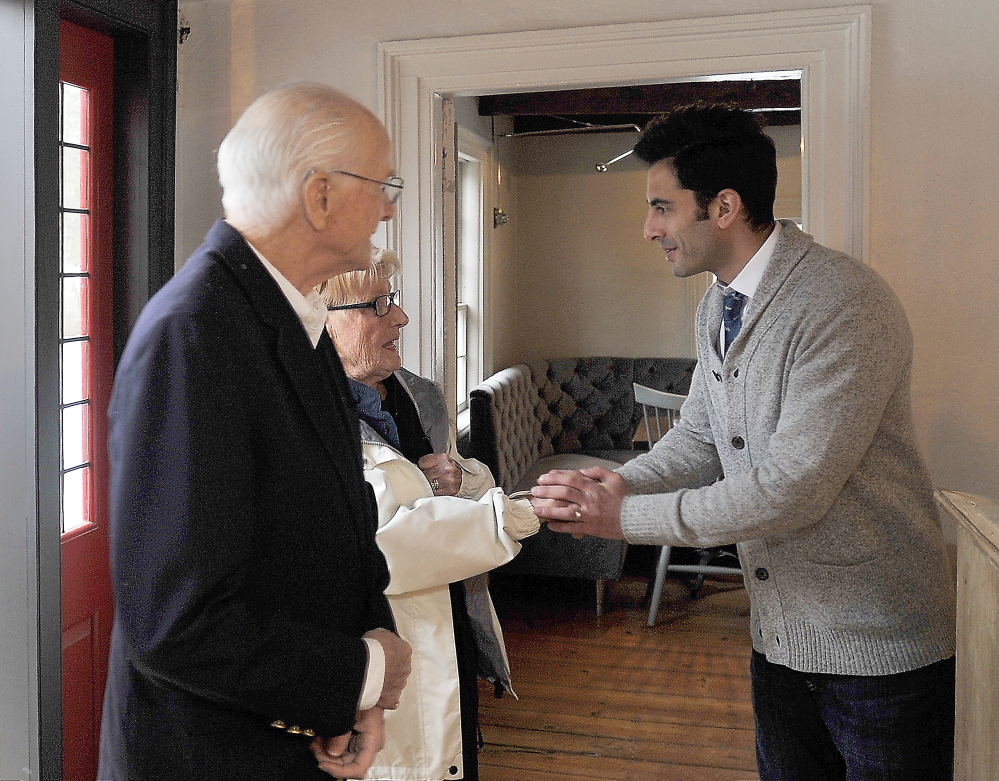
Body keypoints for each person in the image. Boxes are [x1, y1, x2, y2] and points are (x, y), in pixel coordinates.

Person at [530, 103, 957, 781]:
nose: (648, 229)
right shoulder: (716, 304)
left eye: (661, 208)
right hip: (779, 639)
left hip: (876, 654)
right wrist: (617, 484)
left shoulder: (841, 301)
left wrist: (624, 520)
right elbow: (699, 437)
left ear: (723, 206)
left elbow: (791, 491)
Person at [98, 83, 412, 781]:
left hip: (288, 740)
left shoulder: (291, 319)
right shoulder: (194, 335)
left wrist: (360, 686)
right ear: (320, 194)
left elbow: (339, 520)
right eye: (382, 183)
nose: (389, 207)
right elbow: (177, 625)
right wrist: (362, 672)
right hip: (208, 755)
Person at [322, 249, 540, 781]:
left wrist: (460, 480)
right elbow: (375, 550)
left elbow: (457, 480)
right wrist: (515, 515)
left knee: (455, 755)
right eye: (377, 305)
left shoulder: (416, 394)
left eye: (391, 300)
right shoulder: (306, 419)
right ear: (319, 319)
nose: (400, 317)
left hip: (453, 632)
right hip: (378, 658)